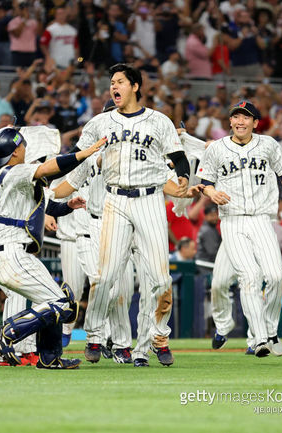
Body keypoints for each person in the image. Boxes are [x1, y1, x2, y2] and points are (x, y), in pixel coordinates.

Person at [74, 63, 190, 367]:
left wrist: (184, 178)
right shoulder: (100, 123)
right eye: (111, 82)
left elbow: (178, 157)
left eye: (120, 82)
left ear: (135, 86)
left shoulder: (159, 121)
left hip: (150, 200)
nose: (114, 87)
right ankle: (95, 334)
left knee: (161, 279)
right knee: (107, 275)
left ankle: (158, 337)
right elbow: (76, 155)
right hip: (115, 200)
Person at [0, 126, 104, 369]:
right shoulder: (16, 170)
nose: (25, 148)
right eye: (21, 145)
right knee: (62, 303)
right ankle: (9, 332)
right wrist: (83, 153)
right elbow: (49, 168)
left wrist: (65, 208)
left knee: (52, 298)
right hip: (10, 251)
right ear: (13, 153)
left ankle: (49, 357)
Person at [198, 100, 282, 357]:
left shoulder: (267, 144)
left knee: (276, 276)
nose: (240, 121)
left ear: (255, 122)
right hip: (232, 220)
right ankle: (260, 338)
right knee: (249, 277)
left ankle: (271, 331)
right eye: (236, 117)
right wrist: (211, 192)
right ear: (230, 121)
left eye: (246, 117)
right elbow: (205, 181)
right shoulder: (217, 148)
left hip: (263, 219)